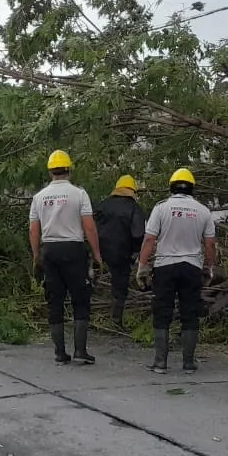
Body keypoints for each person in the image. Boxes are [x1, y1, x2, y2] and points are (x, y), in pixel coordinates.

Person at [136, 168, 216, 375]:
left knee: (162, 313)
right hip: (191, 269)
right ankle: (188, 363)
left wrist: (142, 266)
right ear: (192, 188)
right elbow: (210, 245)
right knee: (190, 313)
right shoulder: (203, 211)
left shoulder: (161, 208)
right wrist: (208, 268)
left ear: (171, 186)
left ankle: (160, 362)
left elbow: (150, 240)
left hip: (165, 268)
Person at [29, 149, 104, 365]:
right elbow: (89, 227)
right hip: (74, 250)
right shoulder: (79, 194)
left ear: (50, 171)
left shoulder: (39, 197)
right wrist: (97, 255)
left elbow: (34, 230)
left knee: (55, 301)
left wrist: (36, 256)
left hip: (50, 251)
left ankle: (60, 353)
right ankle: (80, 350)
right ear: (69, 169)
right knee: (80, 300)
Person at [93, 175, 145, 330]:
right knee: (119, 287)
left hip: (100, 251)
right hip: (121, 253)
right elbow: (138, 234)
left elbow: (91, 226)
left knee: (90, 282)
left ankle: (85, 317)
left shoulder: (103, 205)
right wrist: (135, 252)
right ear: (133, 191)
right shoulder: (134, 208)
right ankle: (116, 321)